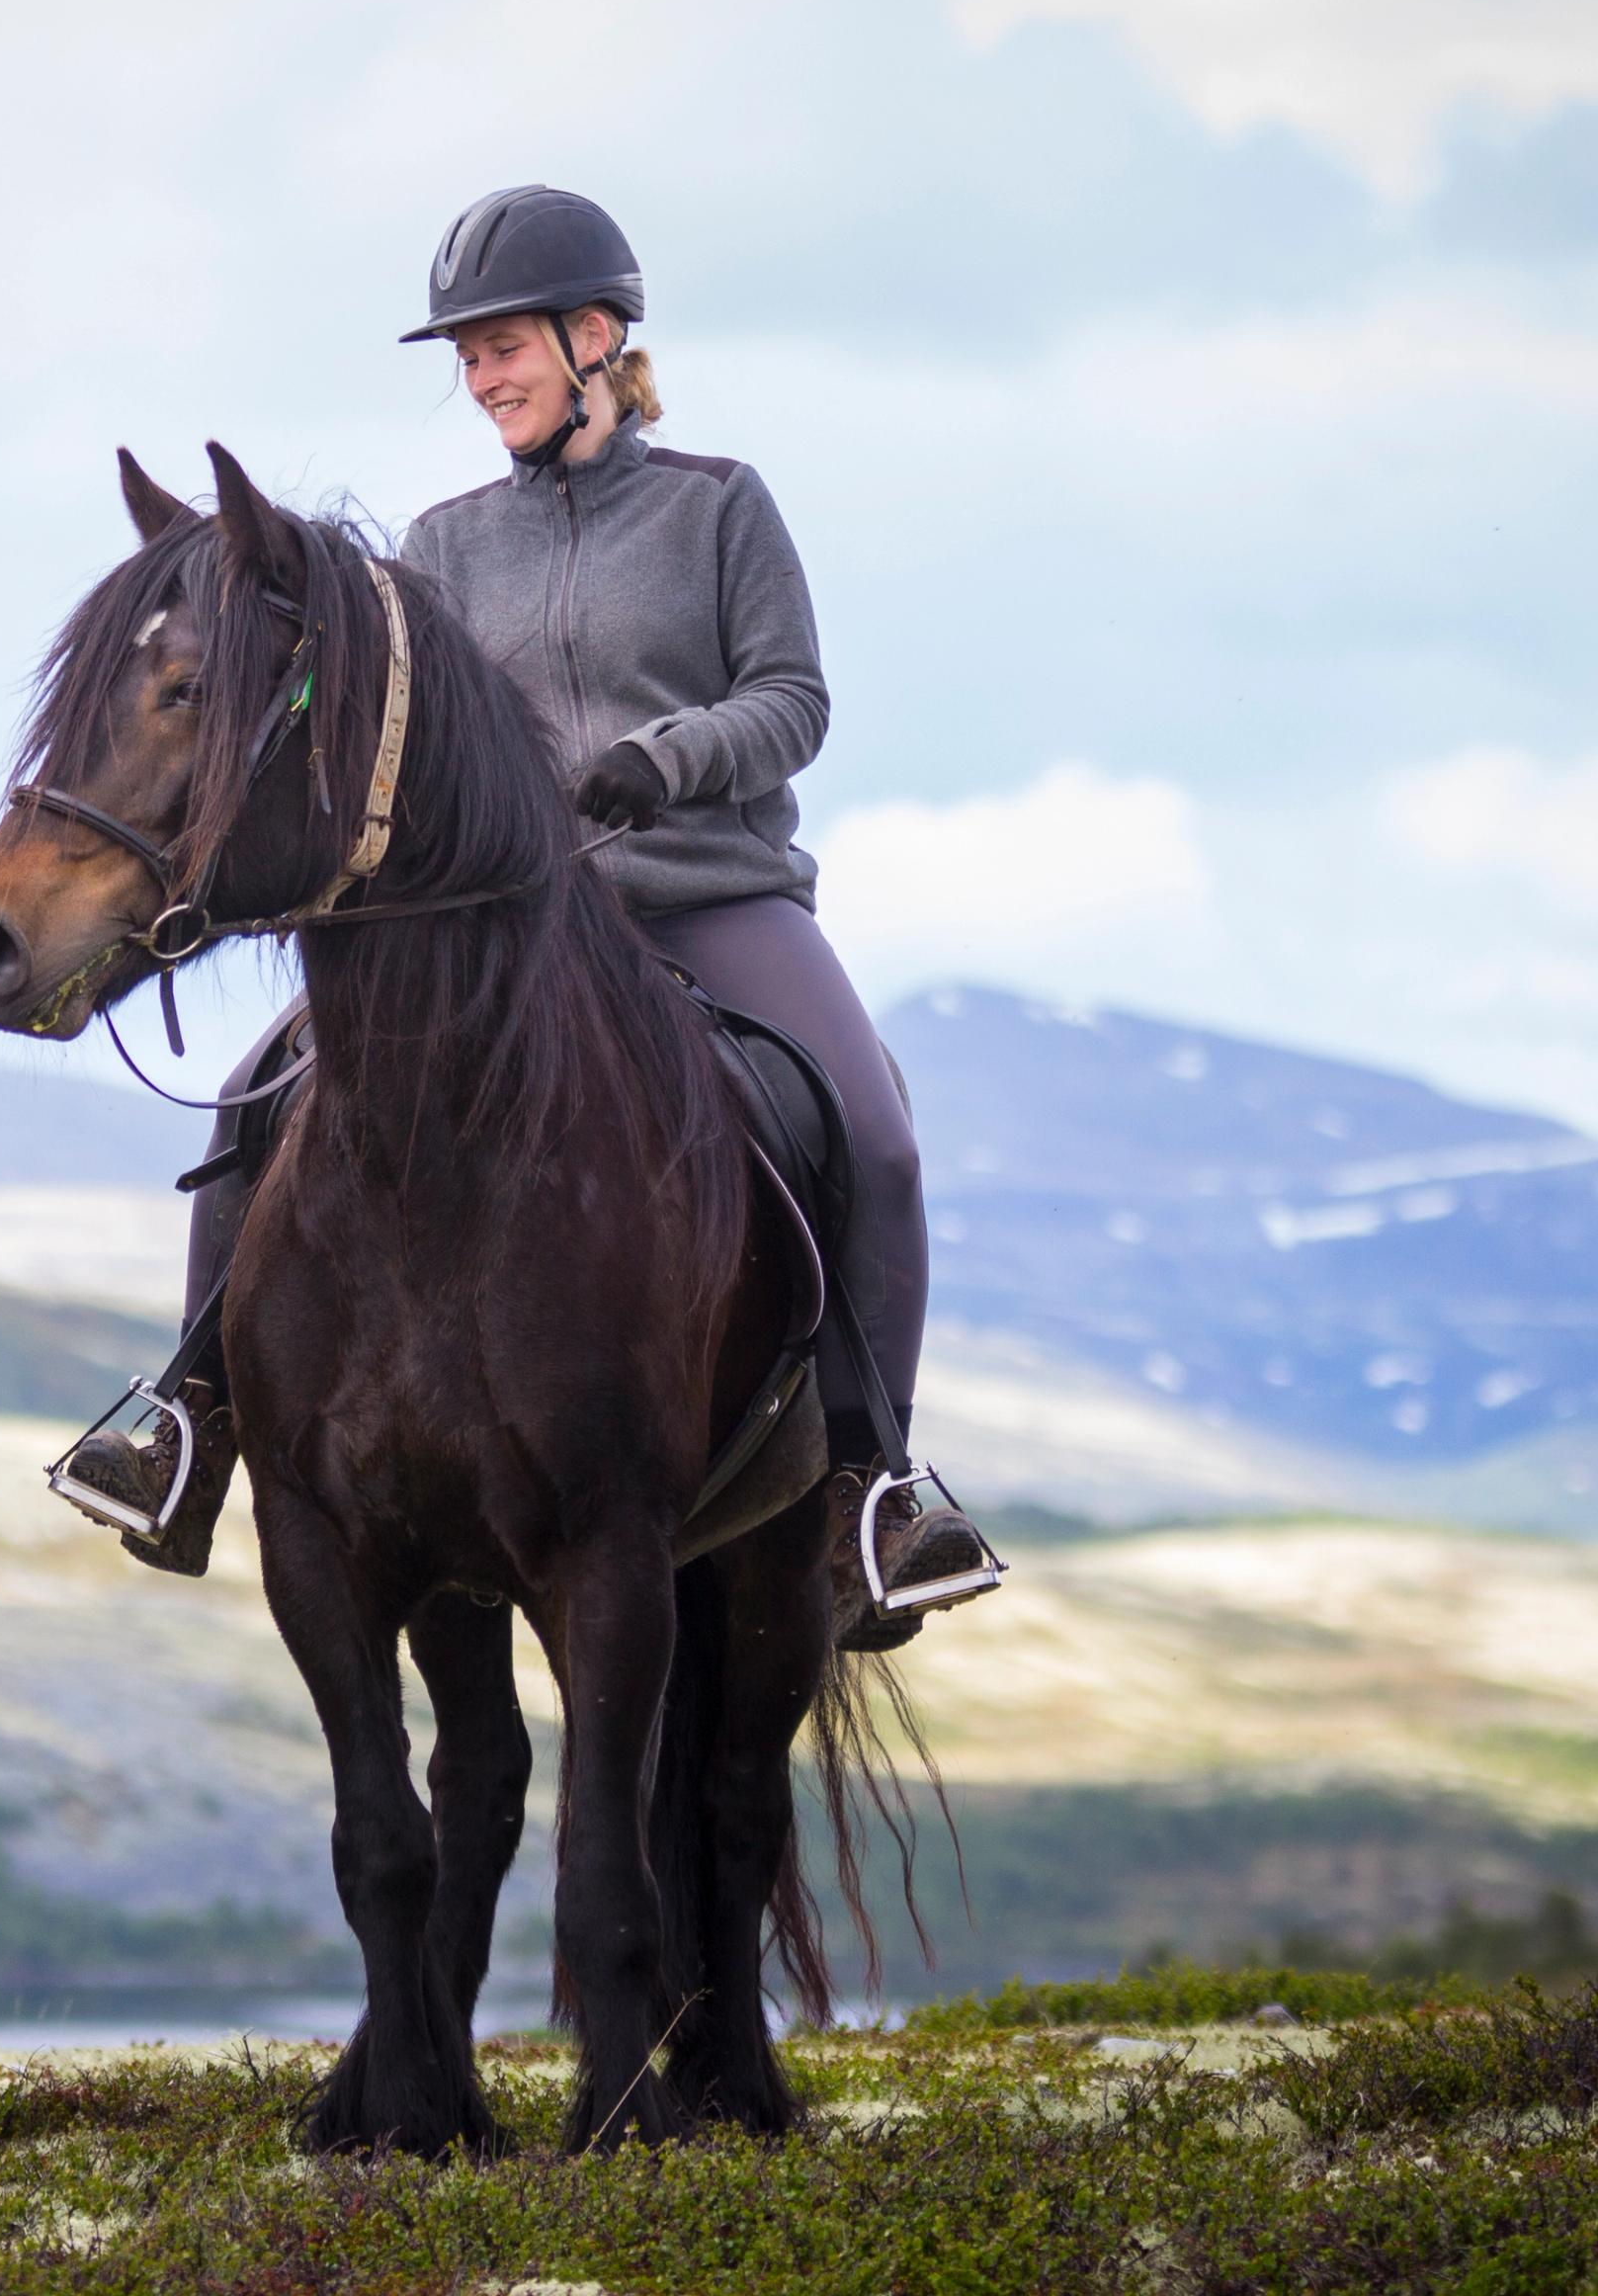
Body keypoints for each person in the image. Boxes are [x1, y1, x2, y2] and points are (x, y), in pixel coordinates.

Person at [54, 189, 984, 1646]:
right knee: (256, 1097)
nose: (482, 378)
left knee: (872, 1130)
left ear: (597, 336)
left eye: (503, 349)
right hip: (509, 926)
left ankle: (878, 1487)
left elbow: (794, 701)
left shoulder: (720, 507)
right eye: (470, 357)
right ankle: (189, 1419)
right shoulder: (445, 540)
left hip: (704, 898)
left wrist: (659, 761)